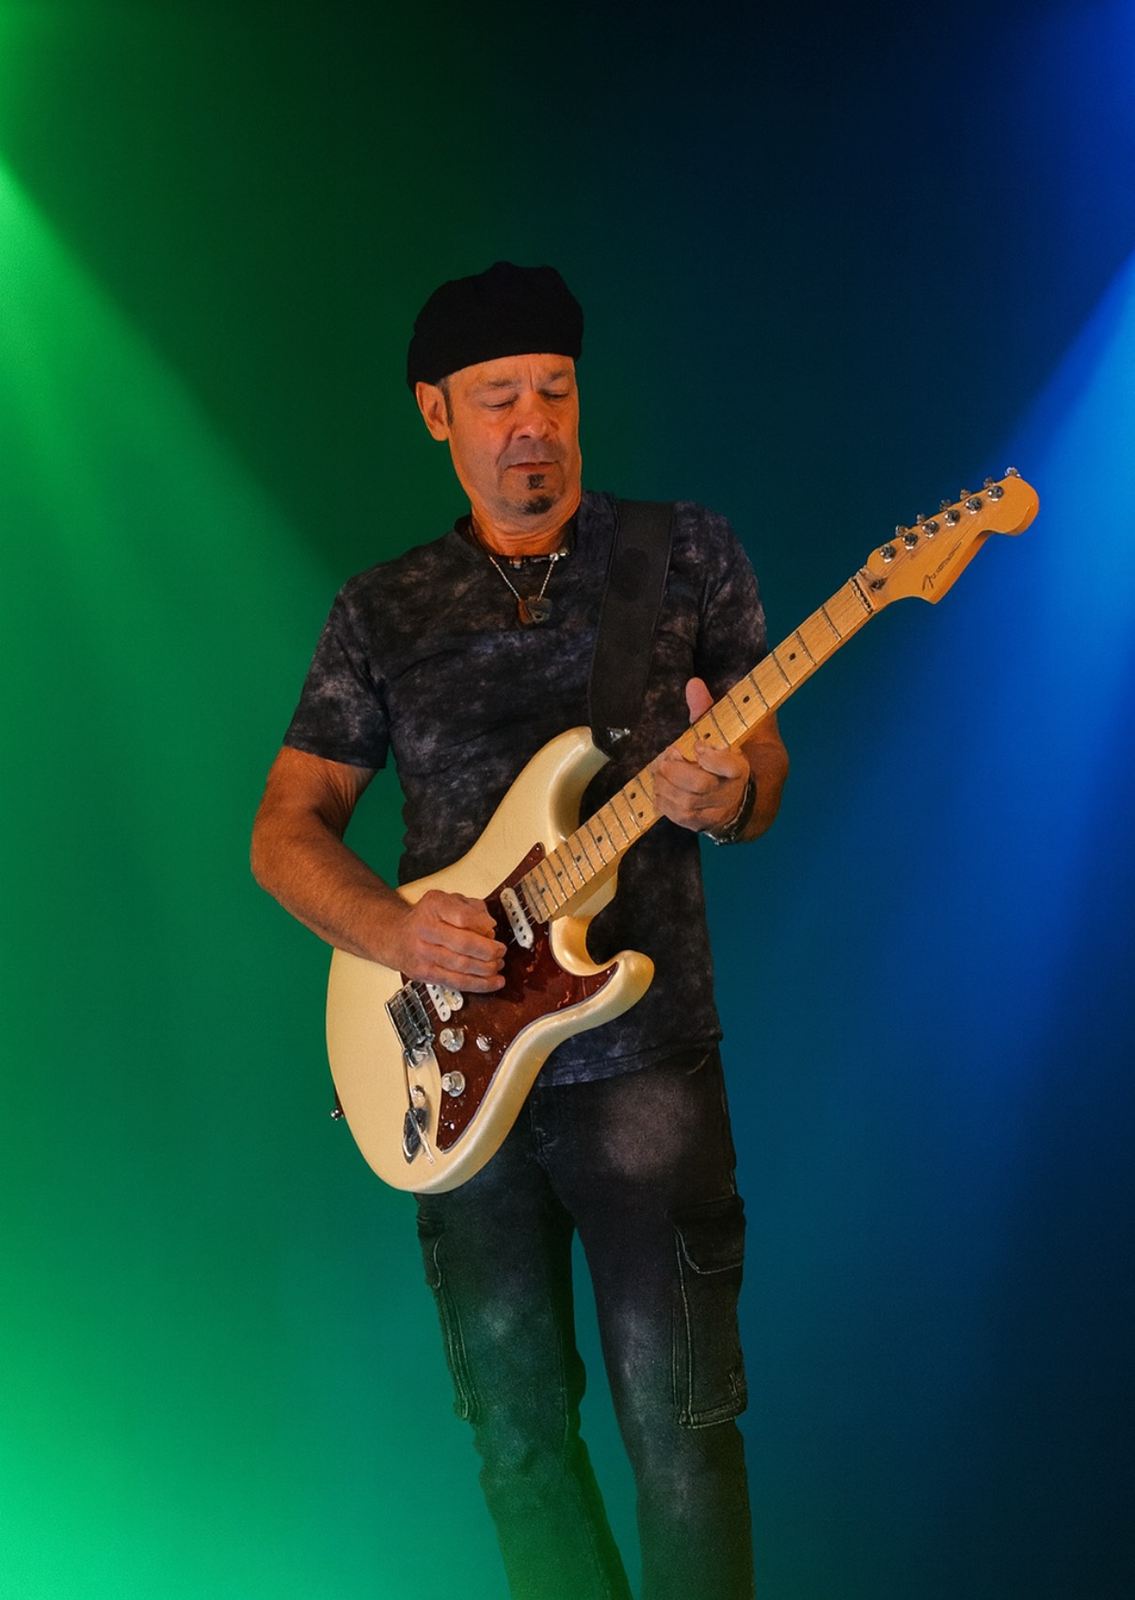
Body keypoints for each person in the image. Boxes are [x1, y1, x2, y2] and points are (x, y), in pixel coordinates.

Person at [251, 261, 789, 1600]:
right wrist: (392, 931)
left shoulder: (683, 553)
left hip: (644, 1069)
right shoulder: (381, 609)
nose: (533, 423)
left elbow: (761, 768)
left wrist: (729, 792)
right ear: (437, 412)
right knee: (515, 1443)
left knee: (683, 1436)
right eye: (498, 398)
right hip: (447, 1072)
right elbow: (282, 831)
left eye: (555, 390)